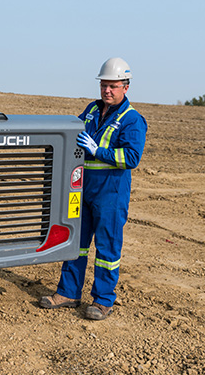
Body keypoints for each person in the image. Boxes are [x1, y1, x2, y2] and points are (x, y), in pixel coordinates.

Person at [40, 57, 147, 320]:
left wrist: (97, 150)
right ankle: (68, 292)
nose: (107, 91)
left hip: (110, 194)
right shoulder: (91, 109)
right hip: (83, 189)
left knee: (107, 250)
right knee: (76, 243)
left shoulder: (132, 120)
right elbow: (73, 132)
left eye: (113, 86)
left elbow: (131, 158)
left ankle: (102, 301)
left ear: (126, 87)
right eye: (104, 85)